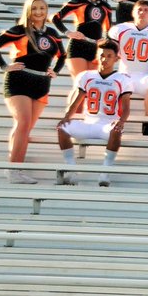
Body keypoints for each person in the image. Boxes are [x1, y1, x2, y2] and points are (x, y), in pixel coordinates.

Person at [0, 0, 65, 184]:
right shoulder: (20, 30)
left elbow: (62, 55)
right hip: (19, 80)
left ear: (47, 10)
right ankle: (14, 168)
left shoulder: (52, 32)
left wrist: (54, 71)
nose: (39, 12)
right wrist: (4, 66)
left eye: (42, 8)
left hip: (41, 83)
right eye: (35, 8)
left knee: (25, 127)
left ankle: (14, 167)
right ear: (28, 11)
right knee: (23, 123)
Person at [55, 39, 130, 187]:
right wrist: (66, 117)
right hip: (88, 122)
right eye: (102, 55)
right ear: (97, 56)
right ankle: (71, 168)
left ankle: (105, 171)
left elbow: (126, 107)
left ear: (116, 58)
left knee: (116, 130)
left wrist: (121, 121)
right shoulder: (86, 76)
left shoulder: (122, 79)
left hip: (107, 124)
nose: (105, 59)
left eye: (109, 56)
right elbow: (76, 101)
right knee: (61, 128)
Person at [107, 0, 148, 136]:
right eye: (139, 9)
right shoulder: (120, 29)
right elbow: (110, 53)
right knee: (111, 85)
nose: (142, 12)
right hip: (124, 74)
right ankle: (115, 120)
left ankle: (147, 121)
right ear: (133, 13)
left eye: (146, 10)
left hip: (145, 75)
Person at [52, 0, 114, 80]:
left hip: (96, 49)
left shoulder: (106, 6)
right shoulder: (78, 1)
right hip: (77, 47)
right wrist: (69, 33)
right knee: (81, 84)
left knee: (93, 85)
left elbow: (109, 31)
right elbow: (55, 18)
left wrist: (105, 42)